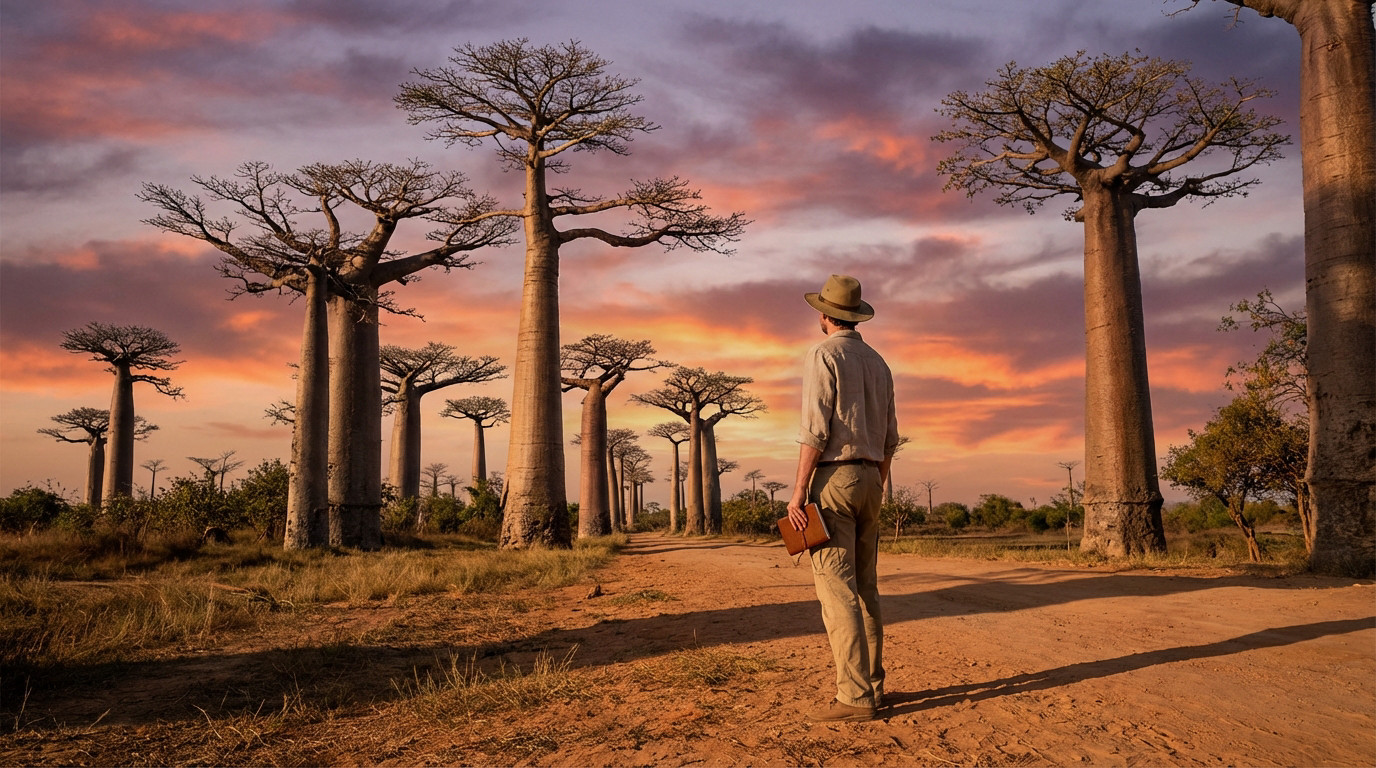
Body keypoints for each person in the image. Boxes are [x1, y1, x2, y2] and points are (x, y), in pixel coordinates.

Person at [787, 273, 899, 723]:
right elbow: (891, 437)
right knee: (867, 588)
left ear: (825, 315)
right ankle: (873, 684)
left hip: (834, 478)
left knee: (837, 591)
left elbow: (815, 428)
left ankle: (854, 698)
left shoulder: (823, 354)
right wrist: (880, 481)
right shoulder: (879, 362)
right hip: (873, 477)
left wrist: (798, 492)